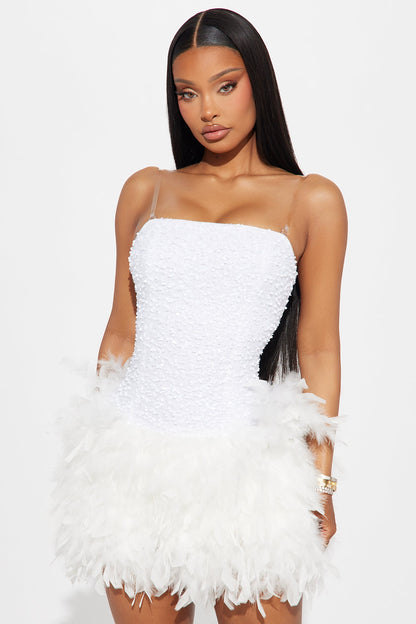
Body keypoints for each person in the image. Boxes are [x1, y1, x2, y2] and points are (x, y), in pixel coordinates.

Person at [50, 7, 347, 624]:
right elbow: (121, 331)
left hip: (249, 469)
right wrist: (94, 454)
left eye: (225, 86)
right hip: (136, 465)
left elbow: (318, 348)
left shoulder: (311, 200)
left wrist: (320, 483)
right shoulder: (146, 190)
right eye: (187, 93)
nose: (206, 110)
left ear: (257, 83)